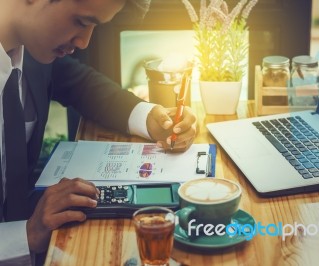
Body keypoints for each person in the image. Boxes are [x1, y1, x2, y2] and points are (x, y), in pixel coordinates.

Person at [0, 0, 197, 263]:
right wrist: (26, 234)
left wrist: (148, 117)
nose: (84, 42)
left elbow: (80, 84)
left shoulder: (32, 49)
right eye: (81, 22)